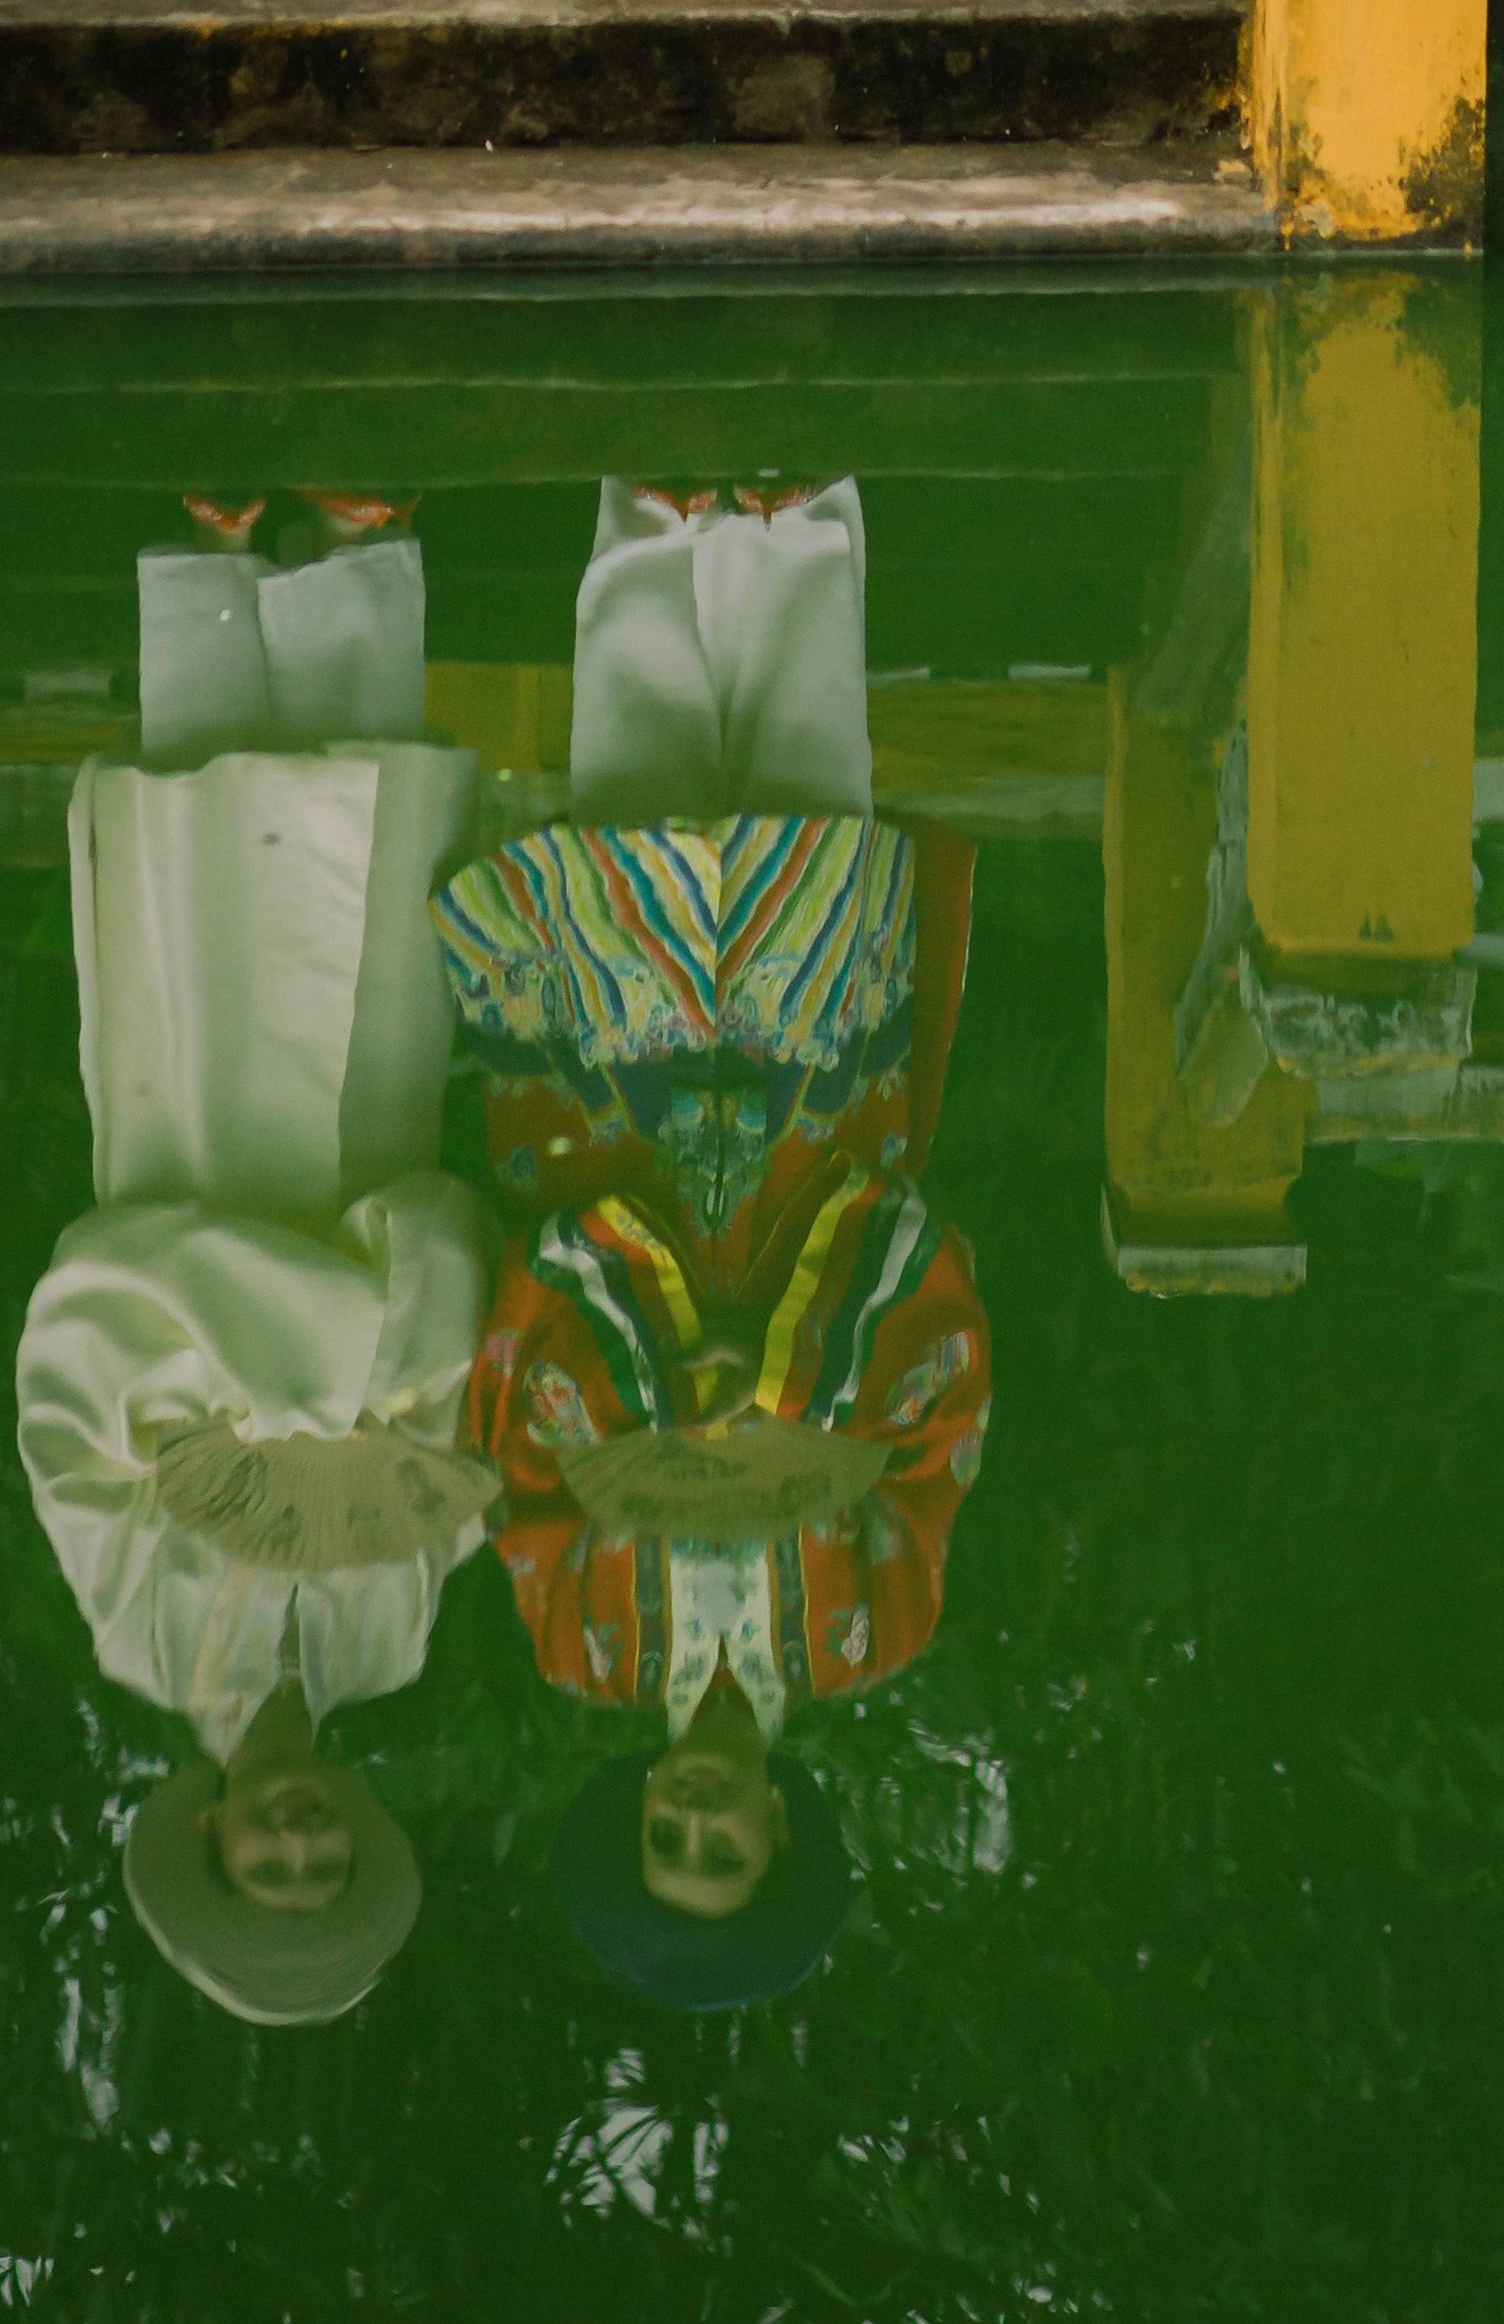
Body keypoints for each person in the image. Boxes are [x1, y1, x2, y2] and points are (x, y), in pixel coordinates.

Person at [432, 481, 993, 2007]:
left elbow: (519, 1415)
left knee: (630, 798)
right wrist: (797, 1371)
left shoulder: (578, 1640)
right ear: (776, 1825)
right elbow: (941, 1393)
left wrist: (674, 1367)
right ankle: (796, 518)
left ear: (634, 1813)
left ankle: (652, 523)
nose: (691, 1812)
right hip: (821, 1123)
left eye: (662, 1835)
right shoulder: (878, 1626)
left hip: (619, 1129)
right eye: (720, 1842)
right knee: (813, 783)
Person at [18, 508, 496, 2027]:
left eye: (267, 1861)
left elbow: (79, 1362)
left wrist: (288, 1366)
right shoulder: (400, 1636)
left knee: (207, 887)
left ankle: (215, 548)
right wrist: (350, 1334)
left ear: (212, 1834)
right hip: (361, 1167)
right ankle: (359, 546)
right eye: (323, 1860)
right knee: (365, 904)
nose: (299, 1835)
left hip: (194, 1165)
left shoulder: (135, 1630)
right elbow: (449, 1385)